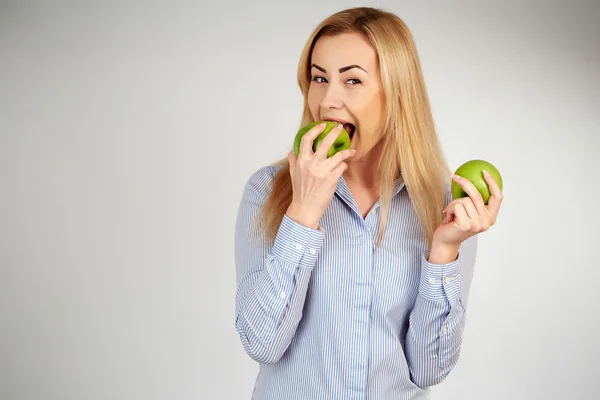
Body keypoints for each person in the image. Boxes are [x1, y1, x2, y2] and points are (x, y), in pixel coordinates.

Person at [233, 6, 503, 400]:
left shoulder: (444, 205)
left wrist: (445, 250)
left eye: (352, 80)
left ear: (396, 92)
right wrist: (304, 212)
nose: (327, 100)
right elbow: (261, 343)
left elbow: (428, 369)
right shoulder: (268, 191)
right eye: (319, 78)